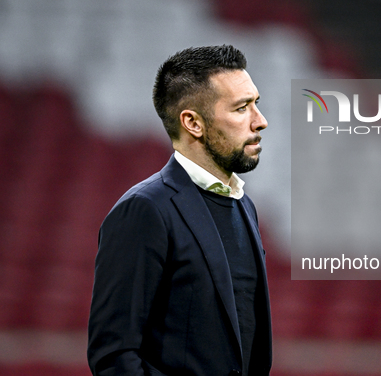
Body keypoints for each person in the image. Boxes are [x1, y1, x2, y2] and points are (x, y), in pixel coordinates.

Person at [87, 45, 272, 376]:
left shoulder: (245, 206)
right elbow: (115, 356)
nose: (261, 121)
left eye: (256, 104)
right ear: (193, 123)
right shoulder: (144, 210)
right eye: (242, 108)